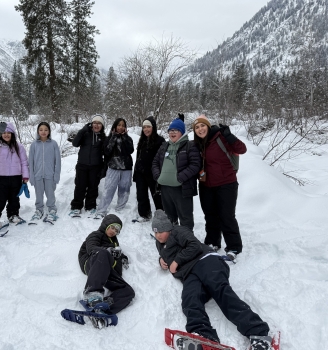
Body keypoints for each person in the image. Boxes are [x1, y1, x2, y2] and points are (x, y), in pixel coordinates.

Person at [151, 209, 272, 350]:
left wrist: (177, 261)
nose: (158, 235)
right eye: (155, 232)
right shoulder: (159, 243)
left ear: (168, 228)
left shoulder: (178, 231)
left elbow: (194, 245)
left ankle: (258, 332)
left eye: (161, 231)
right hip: (190, 273)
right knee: (190, 299)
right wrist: (161, 260)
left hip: (206, 261)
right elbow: (166, 254)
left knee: (220, 291)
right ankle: (203, 336)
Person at [192, 115, 247, 260]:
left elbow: (242, 149)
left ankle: (234, 247)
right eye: (197, 127)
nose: (200, 129)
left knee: (227, 216)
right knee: (210, 216)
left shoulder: (220, 137)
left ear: (208, 126)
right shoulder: (197, 144)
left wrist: (230, 136)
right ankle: (212, 242)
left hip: (226, 184)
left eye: (202, 126)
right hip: (205, 185)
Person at [77, 214, 135, 328]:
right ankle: (92, 295)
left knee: (128, 291)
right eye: (113, 227)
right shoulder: (96, 235)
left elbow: (117, 256)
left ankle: (102, 310)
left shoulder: (115, 244)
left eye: (117, 230)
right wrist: (108, 251)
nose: (114, 231)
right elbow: (91, 248)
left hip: (106, 271)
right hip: (92, 263)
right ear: (106, 225)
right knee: (103, 253)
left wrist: (123, 259)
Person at [152, 116, 201, 230]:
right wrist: (158, 176)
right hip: (165, 188)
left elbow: (195, 165)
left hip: (181, 188)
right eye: (170, 130)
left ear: (182, 132)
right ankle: (172, 237)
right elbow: (155, 162)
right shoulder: (165, 146)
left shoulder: (190, 145)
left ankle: (187, 239)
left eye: (176, 130)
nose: (172, 133)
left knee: (185, 217)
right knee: (169, 216)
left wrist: (179, 178)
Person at [0, 122, 29, 226]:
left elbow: (24, 162)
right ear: (0, 134)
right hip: (1, 178)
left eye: (9, 132)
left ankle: (13, 215)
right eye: (4, 132)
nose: (6, 135)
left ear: (13, 134)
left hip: (16, 177)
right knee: (0, 199)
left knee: (14, 198)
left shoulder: (18, 146)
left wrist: (25, 176)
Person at [94, 118, 134, 219]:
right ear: (115, 126)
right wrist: (114, 137)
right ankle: (101, 210)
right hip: (113, 167)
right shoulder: (109, 138)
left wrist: (124, 137)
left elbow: (130, 150)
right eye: (119, 125)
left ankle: (120, 209)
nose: (120, 127)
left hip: (126, 167)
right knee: (109, 189)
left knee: (124, 189)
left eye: (123, 125)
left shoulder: (128, 139)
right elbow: (107, 151)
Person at [69, 115, 106, 218]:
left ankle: (90, 206)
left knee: (93, 187)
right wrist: (82, 130)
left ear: (102, 126)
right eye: (95, 123)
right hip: (82, 165)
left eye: (99, 123)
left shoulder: (103, 137)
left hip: (96, 166)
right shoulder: (85, 134)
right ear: (91, 124)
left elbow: (106, 153)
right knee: (80, 186)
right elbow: (75, 143)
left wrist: (104, 168)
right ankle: (76, 206)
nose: (96, 125)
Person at [28, 122, 61, 224]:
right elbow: (30, 161)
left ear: (49, 131)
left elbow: (58, 161)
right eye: (41, 129)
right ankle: (39, 210)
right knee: (38, 194)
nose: (43, 132)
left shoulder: (53, 144)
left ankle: (52, 210)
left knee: (50, 194)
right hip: (37, 175)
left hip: (50, 175)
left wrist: (56, 175)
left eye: (46, 130)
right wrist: (31, 176)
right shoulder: (34, 145)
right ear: (38, 131)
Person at [133, 116, 164, 222]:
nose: (146, 129)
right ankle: (144, 214)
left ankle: (161, 215)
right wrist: (135, 172)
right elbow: (138, 157)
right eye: (144, 127)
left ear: (153, 127)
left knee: (157, 195)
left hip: (154, 173)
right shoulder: (142, 140)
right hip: (140, 172)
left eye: (148, 127)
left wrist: (161, 173)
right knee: (141, 195)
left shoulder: (160, 141)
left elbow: (162, 159)